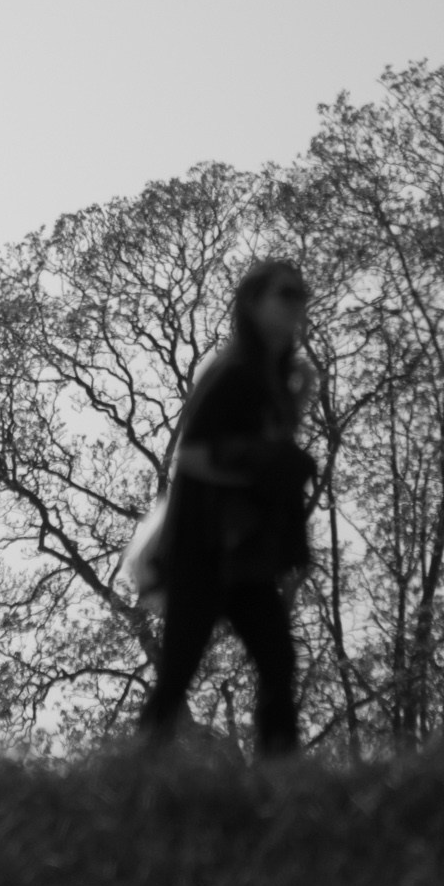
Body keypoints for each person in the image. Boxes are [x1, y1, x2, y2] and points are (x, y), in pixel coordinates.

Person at [138, 259, 318, 756]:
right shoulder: (234, 372)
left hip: (246, 552)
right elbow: (190, 456)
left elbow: (268, 446)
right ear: (252, 304)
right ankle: (133, 777)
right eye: (284, 294)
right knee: (178, 673)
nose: (296, 304)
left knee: (278, 662)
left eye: (301, 295)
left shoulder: (278, 375)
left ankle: (280, 783)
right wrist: (255, 469)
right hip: (202, 549)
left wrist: (295, 406)